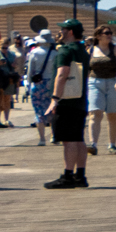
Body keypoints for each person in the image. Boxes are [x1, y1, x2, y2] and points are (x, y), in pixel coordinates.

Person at [44, 19, 93, 189]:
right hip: (80, 100)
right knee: (78, 138)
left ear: (70, 32)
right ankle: (80, 175)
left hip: (67, 101)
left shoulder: (65, 51)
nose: (60, 32)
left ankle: (67, 175)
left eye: (63, 29)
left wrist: (55, 98)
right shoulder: (83, 51)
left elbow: (62, 74)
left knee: (68, 140)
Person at [85, 24, 116, 156]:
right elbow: (86, 69)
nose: (109, 35)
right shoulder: (91, 50)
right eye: (106, 33)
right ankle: (93, 144)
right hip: (94, 82)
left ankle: (112, 144)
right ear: (98, 36)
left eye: (110, 33)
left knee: (113, 115)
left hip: (113, 81)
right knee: (95, 113)